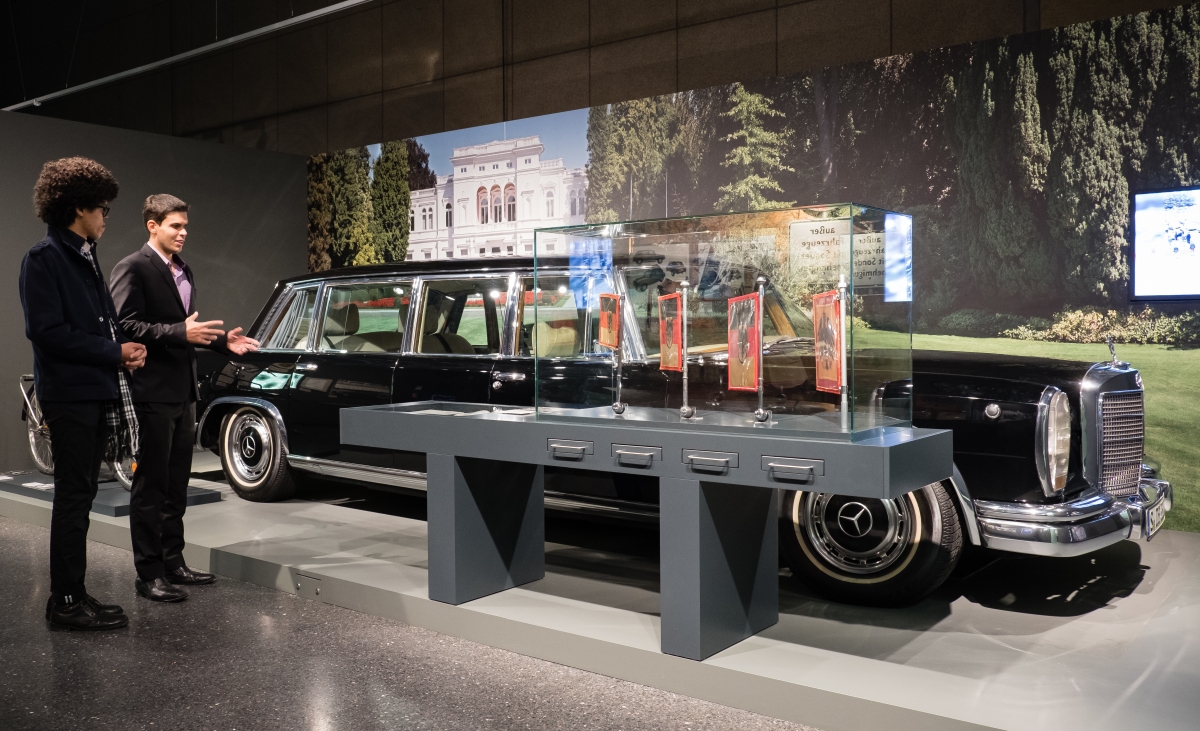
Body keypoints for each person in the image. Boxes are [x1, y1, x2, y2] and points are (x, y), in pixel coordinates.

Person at [110, 194, 259, 602]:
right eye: (175, 225)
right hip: (152, 393)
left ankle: (173, 561)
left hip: (183, 392)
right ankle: (148, 574)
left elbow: (189, 328)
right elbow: (125, 325)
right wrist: (180, 333)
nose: (183, 232)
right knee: (151, 485)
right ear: (152, 225)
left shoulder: (183, 269)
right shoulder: (132, 267)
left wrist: (224, 343)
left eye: (185, 226)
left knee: (177, 484)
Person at [20, 157, 147, 631]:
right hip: (70, 395)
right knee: (74, 496)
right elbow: (47, 332)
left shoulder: (85, 256)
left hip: (93, 391)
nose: (105, 217)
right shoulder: (44, 259)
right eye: (102, 209)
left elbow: (96, 326)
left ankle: (73, 594)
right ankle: (66, 600)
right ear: (77, 208)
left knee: (82, 492)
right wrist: (114, 352)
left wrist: (120, 352)